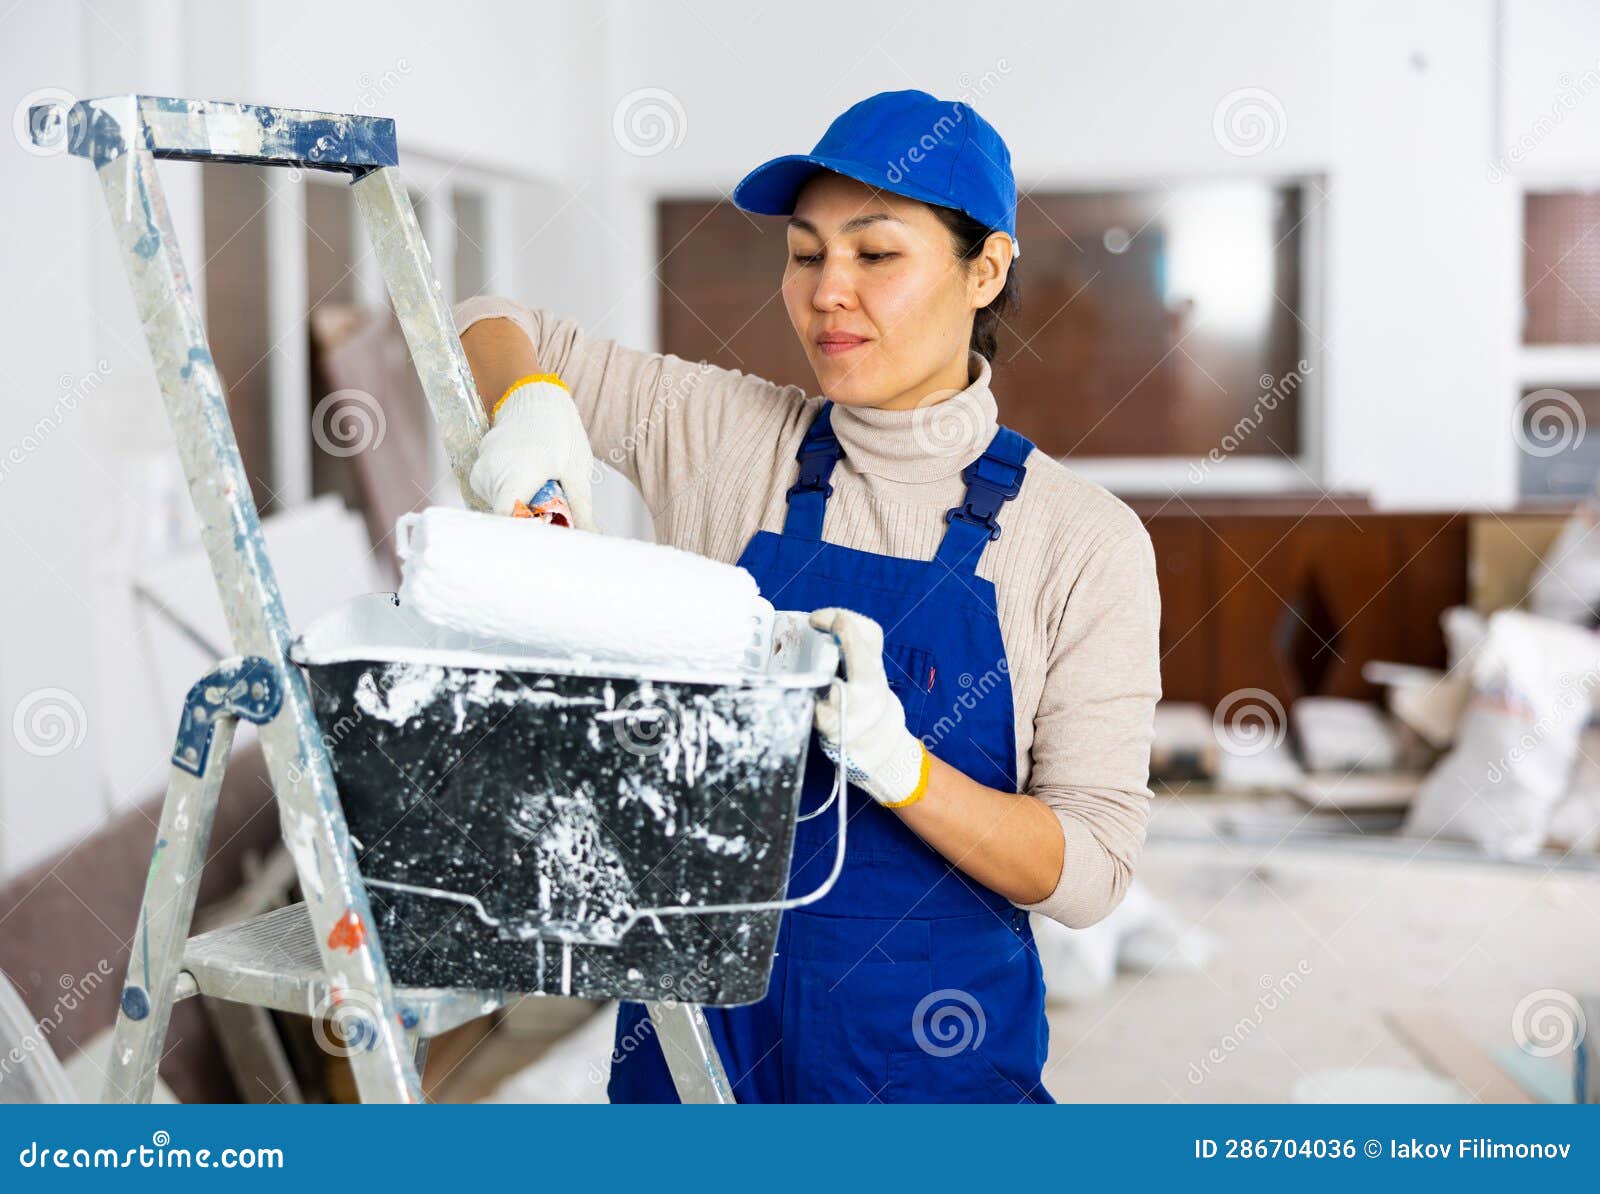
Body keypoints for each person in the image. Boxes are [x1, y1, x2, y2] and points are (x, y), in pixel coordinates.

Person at [454, 89, 1160, 1103]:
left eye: (875, 255)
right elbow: (485, 319)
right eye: (804, 252)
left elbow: (1087, 869)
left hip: (926, 1083)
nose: (829, 291)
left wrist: (900, 768)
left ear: (987, 269)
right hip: (687, 1069)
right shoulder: (725, 435)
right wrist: (530, 403)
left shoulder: (1079, 542)